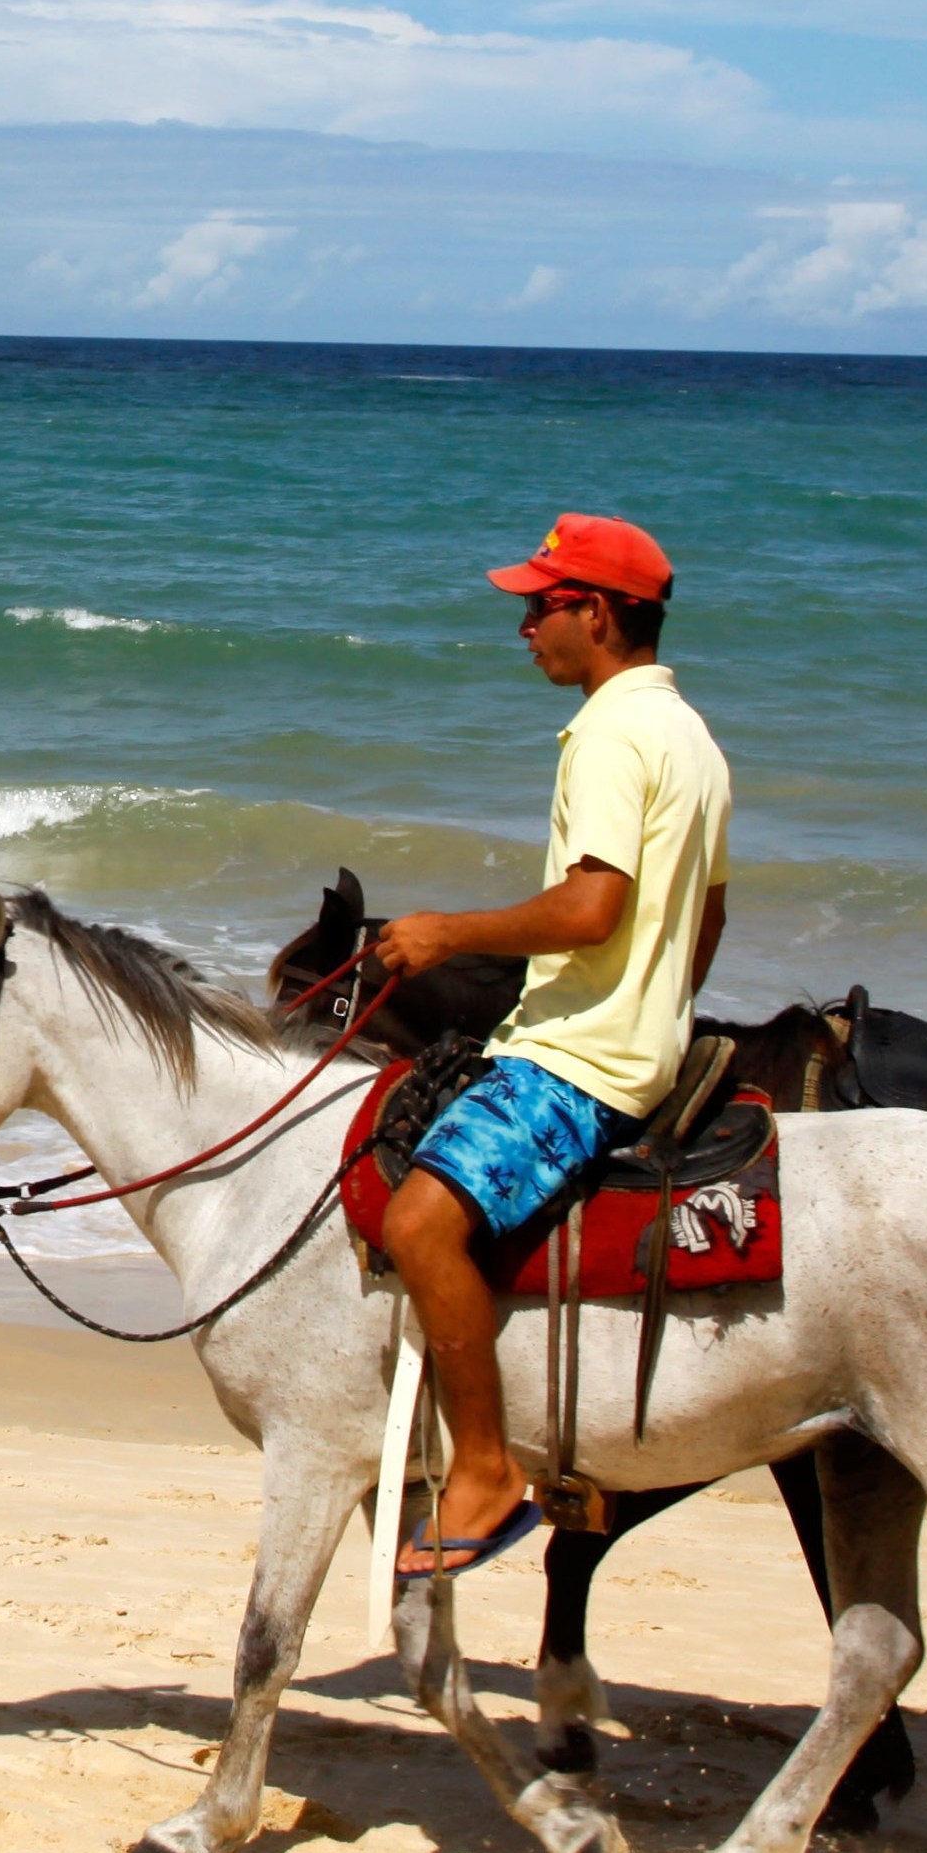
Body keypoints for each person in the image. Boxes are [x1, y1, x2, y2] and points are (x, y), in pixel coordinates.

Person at [363, 513, 731, 1578]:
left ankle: (484, 1468)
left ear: (599, 614)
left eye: (542, 604)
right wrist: (656, 1012)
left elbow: (590, 909)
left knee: (420, 1219)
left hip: (580, 1059)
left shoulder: (613, 734)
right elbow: (703, 922)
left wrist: (446, 934)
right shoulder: (693, 738)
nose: (525, 626)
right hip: (640, 1044)